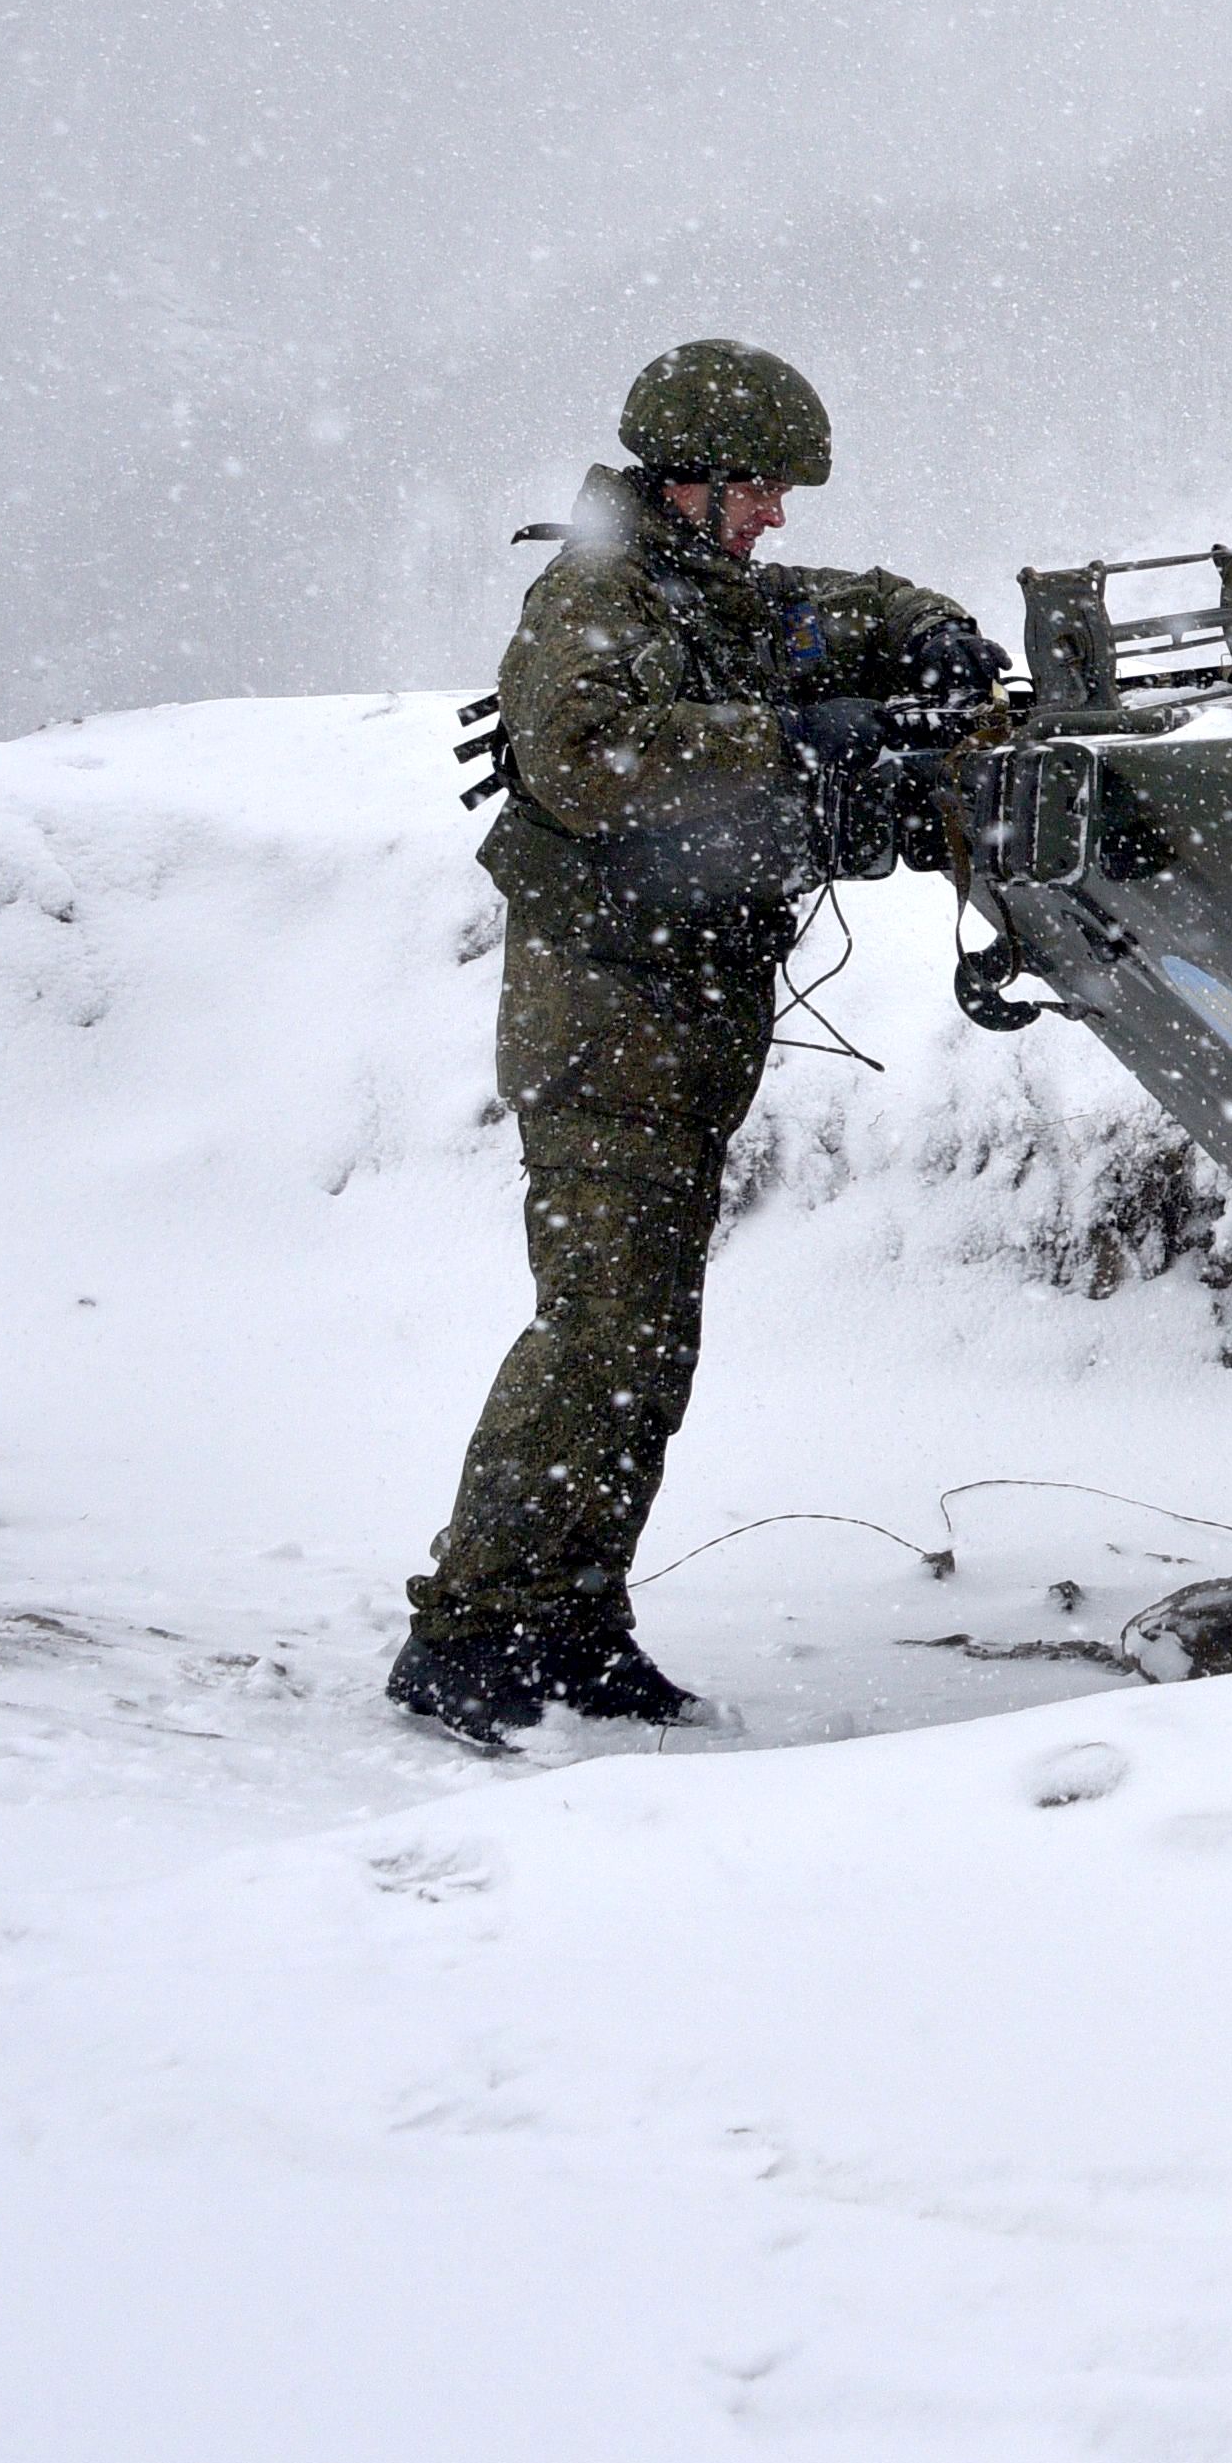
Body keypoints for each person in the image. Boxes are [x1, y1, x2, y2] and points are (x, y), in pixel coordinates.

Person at [383, 340, 1000, 1747]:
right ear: (689, 480)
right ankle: (473, 1638)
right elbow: (588, 760)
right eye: (761, 489)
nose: (776, 516)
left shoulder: (714, 588)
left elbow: (852, 605)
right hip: (608, 1024)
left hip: (682, 1015)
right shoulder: (595, 595)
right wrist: (796, 742)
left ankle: (570, 1625)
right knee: (601, 1333)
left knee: (644, 1345)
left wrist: (935, 636)